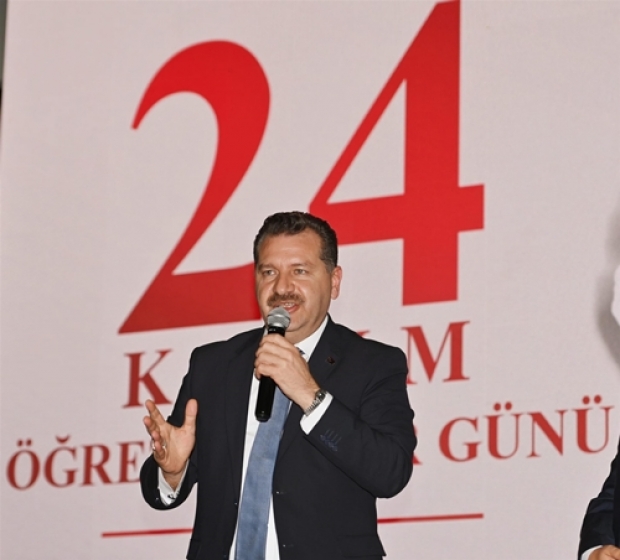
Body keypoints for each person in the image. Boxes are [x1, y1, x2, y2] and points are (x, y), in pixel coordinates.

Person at [140, 211, 416, 560]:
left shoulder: (373, 364)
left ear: (334, 281)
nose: (282, 287)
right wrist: (172, 472)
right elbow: (163, 485)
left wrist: (310, 395)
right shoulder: (213, 365)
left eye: (299, 271)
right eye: (269, 272)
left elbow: (390, 473)